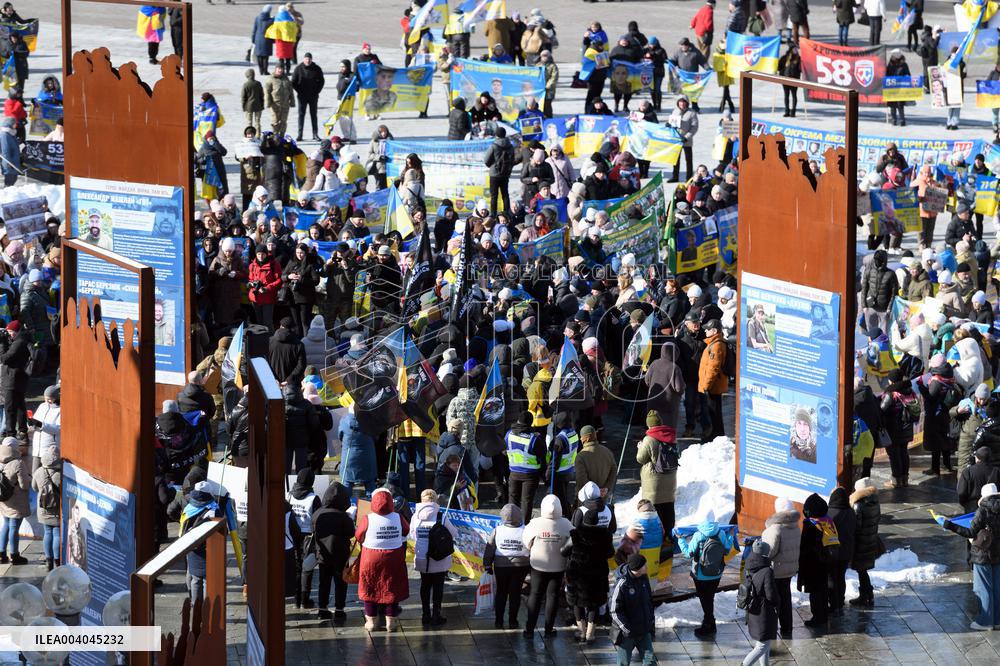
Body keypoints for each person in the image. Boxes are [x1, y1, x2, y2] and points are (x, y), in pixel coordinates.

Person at [942, 483, 1000, 630]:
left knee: (984, 588)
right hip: (998, 554)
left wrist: (950, 525)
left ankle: (985, 621)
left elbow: (970, 533)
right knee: (997, 588)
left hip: (982, 555)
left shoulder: (982, 511)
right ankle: (998, 620)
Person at [355, 487, 410, 632]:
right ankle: (391, 622)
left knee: (369, 585)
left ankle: (371, 622)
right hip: (394, 556)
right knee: (392, 586)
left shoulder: (368, 518)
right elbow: (406, 530)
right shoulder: (398, 517)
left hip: (371, 556)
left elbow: (359, 535)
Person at [676, 511, 734, 638]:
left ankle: (709, 624)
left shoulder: (698, 535)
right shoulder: (721, 533)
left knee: (704, 598)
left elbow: (688, 554)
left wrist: (681, 540)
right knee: (710, 597)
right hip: (716, 573)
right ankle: (709, 622)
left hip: (700, 574)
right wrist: (730, 536)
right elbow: (727, 550)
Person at [522, 494, 572, 637]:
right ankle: (549, 630)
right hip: (558, 567)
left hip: (538, 566)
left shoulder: (534, 523)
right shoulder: (566, 524)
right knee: (553, 596)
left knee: (535, 595)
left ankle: (529, 630)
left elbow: (526, 542)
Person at [564, 508, 614, 643]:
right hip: (597, 574)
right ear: (597, 521)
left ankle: (581, 632)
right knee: (594, 603)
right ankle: (590, 634)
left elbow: (564, 551)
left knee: (577, 602)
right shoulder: (605, 534)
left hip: (577, 574)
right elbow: (610, 553)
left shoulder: (575, 534)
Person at [410, 488, 457, 627]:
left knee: (424, 585)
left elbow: (413, 535)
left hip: (422, 556)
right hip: (439, 557)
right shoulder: (441, 516)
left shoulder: (415, 517)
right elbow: (453, 533)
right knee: (438, 587)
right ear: (435, 500)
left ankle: (425, 614)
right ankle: (437, 614)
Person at [311, 482, 355, 624]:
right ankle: (339, 610)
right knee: (341, 583)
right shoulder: (344, 517)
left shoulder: (318, 513)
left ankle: (322, 609)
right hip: (340, 555)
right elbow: (351, 533)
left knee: (324, 582)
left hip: (323, 555)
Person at [761, 497, 800, 638]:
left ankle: (771, 628)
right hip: (789, 569)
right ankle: (787, 627)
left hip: (776, 570)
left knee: (773, 600)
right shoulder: (795, 525)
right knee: (786, 597)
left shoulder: (776, 528)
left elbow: (769, 551)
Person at [636, 410, 678, 540]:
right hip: (670, 480)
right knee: (668, 510)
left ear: (649, 425)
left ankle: (657, 540)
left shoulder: (649, 439)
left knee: (655, 512)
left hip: (654, 483)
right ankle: (669, 538)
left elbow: (641, 459)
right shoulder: (672, 436)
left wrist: (640, 447)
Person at [610, 553, 656, 666]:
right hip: (627, 635)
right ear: (638, 568)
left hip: (644, 631)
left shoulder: (644, 578)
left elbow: (649, 601)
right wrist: (627, 629)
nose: (647, 566)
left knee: (650, 661)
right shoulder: (622, 584)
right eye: (644, 565)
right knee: (623, 663)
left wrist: (650, 622)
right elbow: (614, 611)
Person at [742, 540, 779, 666]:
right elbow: (771, 595)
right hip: (764, 612)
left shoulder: (748, 566)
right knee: (763, 645)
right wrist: (777, 603)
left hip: (752, 609)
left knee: (763, 642)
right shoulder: (767, 571)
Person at [505, 412, 545, 521]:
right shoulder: (534, 439)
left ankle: (511, 523)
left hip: (513, 473)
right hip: (530, 475)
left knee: (512, 500)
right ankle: (524, 526)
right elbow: (543, 455)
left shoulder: (509, 434)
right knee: (526, 502)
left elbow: (505, 451)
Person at [798, 492, 831, 627]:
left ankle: (817, 617)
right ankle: (823, 614)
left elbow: (805, 547)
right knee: (823, 590)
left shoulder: (810, 525)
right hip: (825, 562)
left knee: (815, 593)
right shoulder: (827, 521)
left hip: (812, 565)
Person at [849, 477, 881, 608]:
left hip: (861, 541)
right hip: (870, 539)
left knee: (861, 569)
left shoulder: (858, 505)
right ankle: (867, 594)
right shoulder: (875, 501)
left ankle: (865, 595)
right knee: (862, 569)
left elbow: (857, 526)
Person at [826, 486, 857, 614]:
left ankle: (833, 604)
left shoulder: (829, 514)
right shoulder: (851, 512)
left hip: (833, 552)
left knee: (831, 578)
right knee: (841, 576)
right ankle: (840, 601)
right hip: (847, 551)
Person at [31, 444, 61, 571]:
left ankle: (48, 561)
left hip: (43, 507)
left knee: (47, 533)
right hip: (56, 508)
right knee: (56, 533)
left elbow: (34, 487)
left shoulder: (38, 472)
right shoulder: (59, 474)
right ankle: (57, 561)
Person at [0, 436, 28, 564]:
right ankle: (15, 555)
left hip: (3, 499)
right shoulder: (18, 463)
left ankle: (1, 554)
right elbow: (24, 485)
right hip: (16, 501)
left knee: (5, 524)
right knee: (14, 527)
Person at [698, 319, 728, 442]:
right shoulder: (714, 343)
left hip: (713, 386)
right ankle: (717, 434)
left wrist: (706, 385)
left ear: (714, 330)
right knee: (714, 412)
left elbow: (713, 368)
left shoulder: (716, 345)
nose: (705, 330)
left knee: (714, 412)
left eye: (708, 329)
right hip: (713, 385)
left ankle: (717, 436)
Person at [339, 405, 377, 495]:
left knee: (347, 482)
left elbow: (340, 436)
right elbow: (375, 437)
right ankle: (372, 505)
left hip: (349, 457)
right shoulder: (370, 422)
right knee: (370, 483)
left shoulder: (344, 422)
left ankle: (345, 505)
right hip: (368, 457)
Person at [291, 52, 325, 142]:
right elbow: (293, 82)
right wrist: (299, 91)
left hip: (313, 96)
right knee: (301, 115)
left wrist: (317, 91)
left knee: (314, 115)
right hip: (302, 96)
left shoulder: (316, 68)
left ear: (311, 59)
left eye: (309, 58)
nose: (308, 60)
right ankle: (300, 134)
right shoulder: (298, 68)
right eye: (306, 58)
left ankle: (315, 134)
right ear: (303, 59)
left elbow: (321, 81)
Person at [484, 126, 516, 215]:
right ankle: (507, 213)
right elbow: (513, 160)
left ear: (496, 135)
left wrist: (491, 166)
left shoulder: (494, 146)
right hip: (505, 173)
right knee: (505, 194)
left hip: (494, 174)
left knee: (494, 196)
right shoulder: (510, 146)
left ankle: (493, 214)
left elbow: (486, 160)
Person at [669, 96, 698, 183]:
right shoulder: (675, 111)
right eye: (680, 102)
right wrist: (668, 124)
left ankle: (689, 177)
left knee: (688, 159)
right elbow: (672, 122)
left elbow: (694, 127)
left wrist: (687, 137)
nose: (682, 104)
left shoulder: (691, 113)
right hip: (677, 139)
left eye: (683, 102)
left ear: (687, 103)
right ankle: (675, 176)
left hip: (686, 140)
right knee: (675, 159)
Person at [264, 64, 294, 137]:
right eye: (278, 69)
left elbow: (290, 90)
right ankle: (275, 136)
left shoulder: (286, 78)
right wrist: (268, 103)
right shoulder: (270, 79)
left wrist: (292, 101)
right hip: (275, 104)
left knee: (284, 121)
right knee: (275, 121)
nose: (280, 70)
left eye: (281, 69)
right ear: (275, 69)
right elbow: (267, 92)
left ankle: (282, 136)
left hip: (285, 104)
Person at [779, 45, 802, 117]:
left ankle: (793, 111)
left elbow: (801, 69)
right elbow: (779, 67)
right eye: (794, 49)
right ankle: (787, 111)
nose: (796, 51)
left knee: (794, 95)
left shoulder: (799, 59)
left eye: (796, 49)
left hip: (794, 80)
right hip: (785, 79)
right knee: (786, 96)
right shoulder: (784, 58)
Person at [251, 5, 274, 75]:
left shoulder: (257, 18)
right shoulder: (271, 20)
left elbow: (254, 29)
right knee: (265, 56)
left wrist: (253, 39)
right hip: (267, 39)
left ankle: (261, 70)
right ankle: (265, 70)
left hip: (258, 38)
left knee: (259, 55)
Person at [242, 69, 265, 134]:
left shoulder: (245, 84)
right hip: (258, 105)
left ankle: (249, 134)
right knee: (257, 122)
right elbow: (262, 95)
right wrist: (262, 105)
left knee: (249, 122)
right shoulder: (258, 83)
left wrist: (243, 107)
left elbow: (243, 97)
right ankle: (258, 135)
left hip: (248, 106)